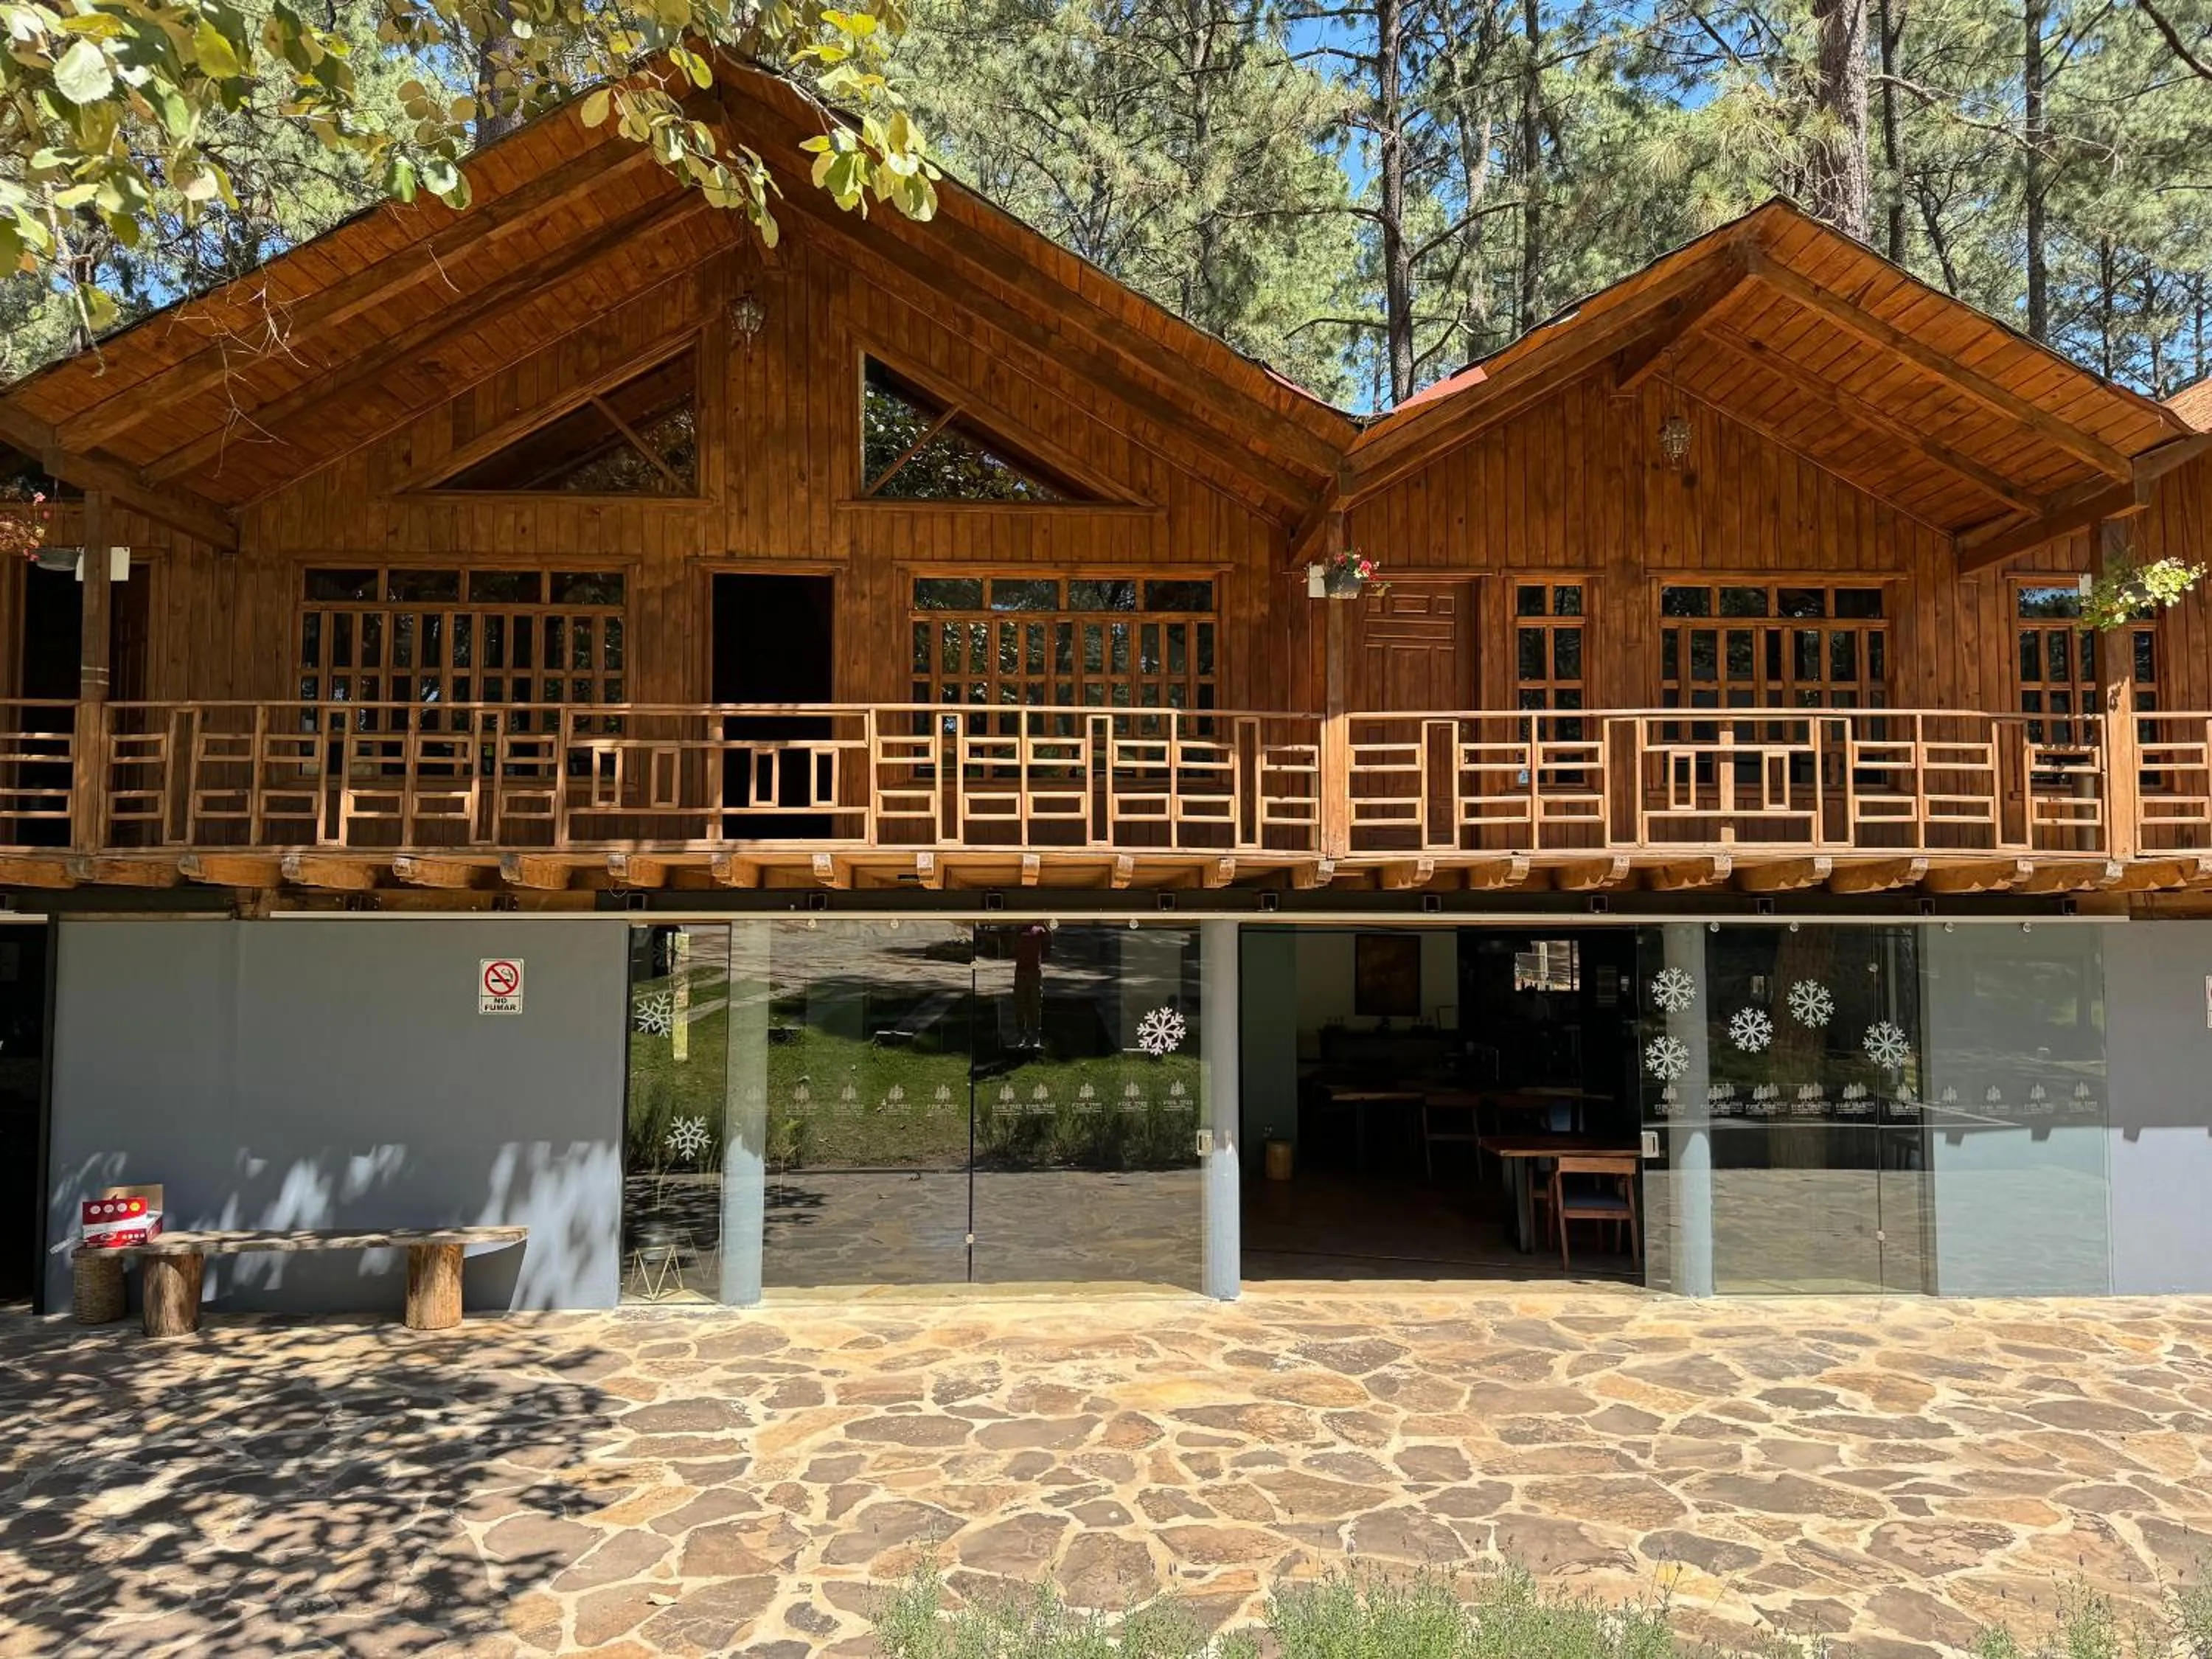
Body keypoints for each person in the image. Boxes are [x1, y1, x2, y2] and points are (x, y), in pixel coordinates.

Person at [1011, 922, 1049, 1049]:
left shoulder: (1039, 929)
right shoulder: (1018, 930)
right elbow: (1012, 946)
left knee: (1035, 1004)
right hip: (1021, 971)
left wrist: (1043, 921)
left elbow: (1049, 939)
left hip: (1034, 972)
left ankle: (1035, 1037)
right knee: (1020, 1004)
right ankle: (1021, 1036)